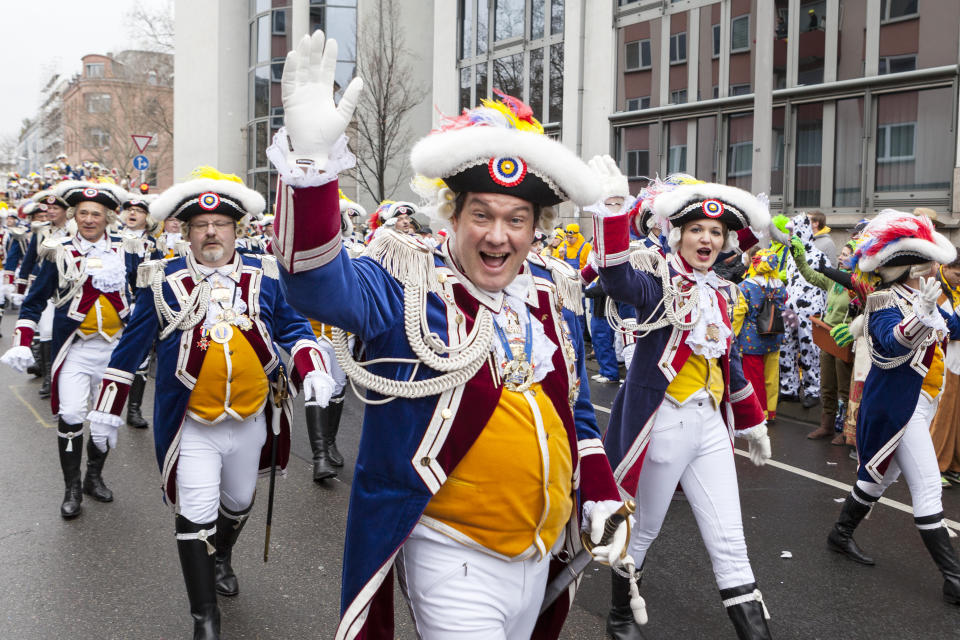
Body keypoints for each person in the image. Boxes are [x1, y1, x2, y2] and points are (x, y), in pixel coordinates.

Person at [269, 31, 630, 639]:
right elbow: (316, 288)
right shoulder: (407, 281)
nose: (499, 236)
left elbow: (576, 415)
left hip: (541, 557)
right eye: (482, 215)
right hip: (451, 555)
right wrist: (310, 170)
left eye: (516, 219)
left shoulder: (551, 294)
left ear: (535, 227)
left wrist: (597, 492)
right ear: (451, 217)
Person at [85, 167, 334, 640]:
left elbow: (293, 328)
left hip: (251, 417)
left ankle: (222, 554)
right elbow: (129, 351)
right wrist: (107, 409)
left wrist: (312, 365)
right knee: (195, 510)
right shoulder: (162, 282)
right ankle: (204, 618)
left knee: (238, 501)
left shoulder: (263, 274)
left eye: (221, 224)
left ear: (237, 230)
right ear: (185, 230)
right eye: (201, 225)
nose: (212, 232)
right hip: (192, 423)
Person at [592, 178, 773, 639]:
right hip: (663, 422)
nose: (707, 239)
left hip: (710, 425)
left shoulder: (722, 291)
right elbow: (614, 277)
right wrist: (613, 211)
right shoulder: (657, 279)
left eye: (716, 232)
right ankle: (619, 616)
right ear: (677, 234)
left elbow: (727, 361)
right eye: (697, 229)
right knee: (643, 530)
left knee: (731, 541)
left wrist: (752, 422)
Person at [826, 210, 960, 606]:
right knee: (929, 489)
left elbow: (953, 330)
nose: (939, 268)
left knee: (876, 481)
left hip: (923, 401)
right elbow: (891, 343)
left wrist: (937, 311)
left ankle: (840, 534)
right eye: (932, 262)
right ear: (912, 267)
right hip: (897, 408)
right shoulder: (886, 300)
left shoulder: (930, 296)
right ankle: (954, 579)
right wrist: (921, 315)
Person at [1, 180, 131, 518]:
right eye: (83, 213)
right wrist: (22, 340)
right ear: (75, 216)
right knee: (72, 415)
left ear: (107, 217)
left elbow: (145, 297)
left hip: (116, 352)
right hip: (75, 349)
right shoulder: (58, 250)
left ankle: (93, 477)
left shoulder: (127, 249)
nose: (89, 220)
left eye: (96, 214)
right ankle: (71, 488)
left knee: (105, 420)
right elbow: (34, 301)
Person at [119, 194, 162, 429]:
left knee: (141, 359)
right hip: (115, 307)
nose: (132, 214)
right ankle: (107, 407)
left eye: (139, 210)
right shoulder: (113, 240)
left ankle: (133, 410)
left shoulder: (155, 245)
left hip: (141, 307)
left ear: (148, 217)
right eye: (129, 210)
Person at [737, 249, 788, 422]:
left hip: (751, 338)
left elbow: (739, 313)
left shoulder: (745, 286)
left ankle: (758, 413)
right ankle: (771, 411)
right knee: (772, 377)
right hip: (774, 335)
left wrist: (732, 335)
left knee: (753, 377)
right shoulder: (780, 286)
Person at [928, 254, 960, 487]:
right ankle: (933, 466)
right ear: (946, 267)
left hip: (956, 361)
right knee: (943, 417)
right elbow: (951, 329)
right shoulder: (936, 290)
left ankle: (953, 464)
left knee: (956, 418)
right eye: (957, 275)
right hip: (943, 363)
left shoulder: (954, 291)